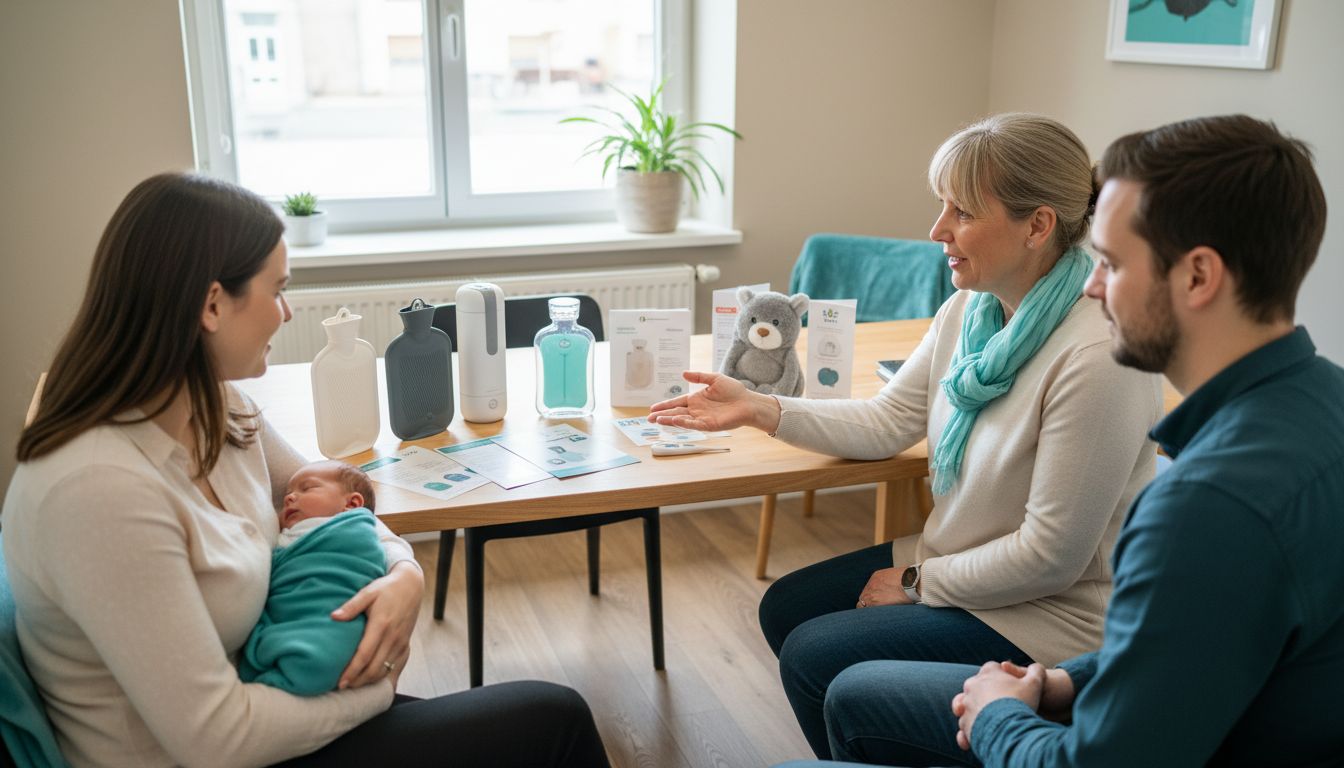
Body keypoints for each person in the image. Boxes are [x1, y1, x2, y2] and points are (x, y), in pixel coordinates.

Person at [781, 114, 1344, 767]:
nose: (1095, 286)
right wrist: (1068, 681)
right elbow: (1202, 650)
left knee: (839, 697)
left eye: (1110, 262)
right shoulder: (1322, 402)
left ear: (1197, 277)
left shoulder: (1203, 509)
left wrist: (996, 713)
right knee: (832, 662)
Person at [2, 173, 610, 768]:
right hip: (223, 751)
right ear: (212, 304)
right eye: (277, 290)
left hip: (272, 716)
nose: (287, 313)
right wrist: (373, 691)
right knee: (554, 720)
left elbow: (341, 497)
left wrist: (403, 573)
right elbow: (217, 741)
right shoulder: (97, 492)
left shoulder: (218, 406)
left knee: (538, 721)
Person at [649, 113, 1164, 759]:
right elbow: (890, 419)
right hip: (964, 556)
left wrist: (919, 582)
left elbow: (1050, 557)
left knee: (815, 656)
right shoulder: (971, 312)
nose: (937, 231)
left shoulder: (1096, 356)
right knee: (786, 608)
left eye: (963, 212)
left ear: (1038, 225)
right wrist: (759, 407)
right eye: (941, 205)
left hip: (1056, 610)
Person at [239, 461, 387, 695]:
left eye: (306, 489)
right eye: (288, 493)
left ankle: (292, 675)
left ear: (352, 503)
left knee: (318, 656)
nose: (289, 498)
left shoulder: (353, 532)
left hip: (334, 614)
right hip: (298, 615)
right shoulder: (291, 536)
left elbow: (370, 559)